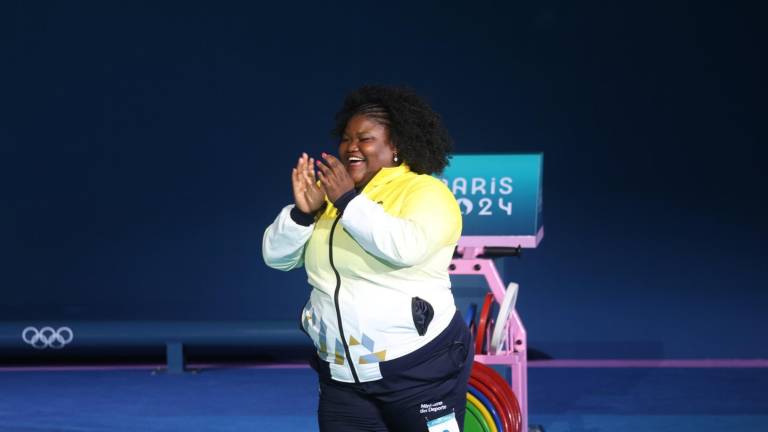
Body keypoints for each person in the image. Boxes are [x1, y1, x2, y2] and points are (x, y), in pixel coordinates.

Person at [263, 85, 471, 432]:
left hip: (419, 368)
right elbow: (276, 258)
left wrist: (348, 202)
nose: (352, 147)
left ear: (396, 145)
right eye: (346, 139)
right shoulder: (331, 198)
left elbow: (406, 247)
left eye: (365, 139)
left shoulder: (426, 192)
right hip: (342, 376)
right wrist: (303, 214)